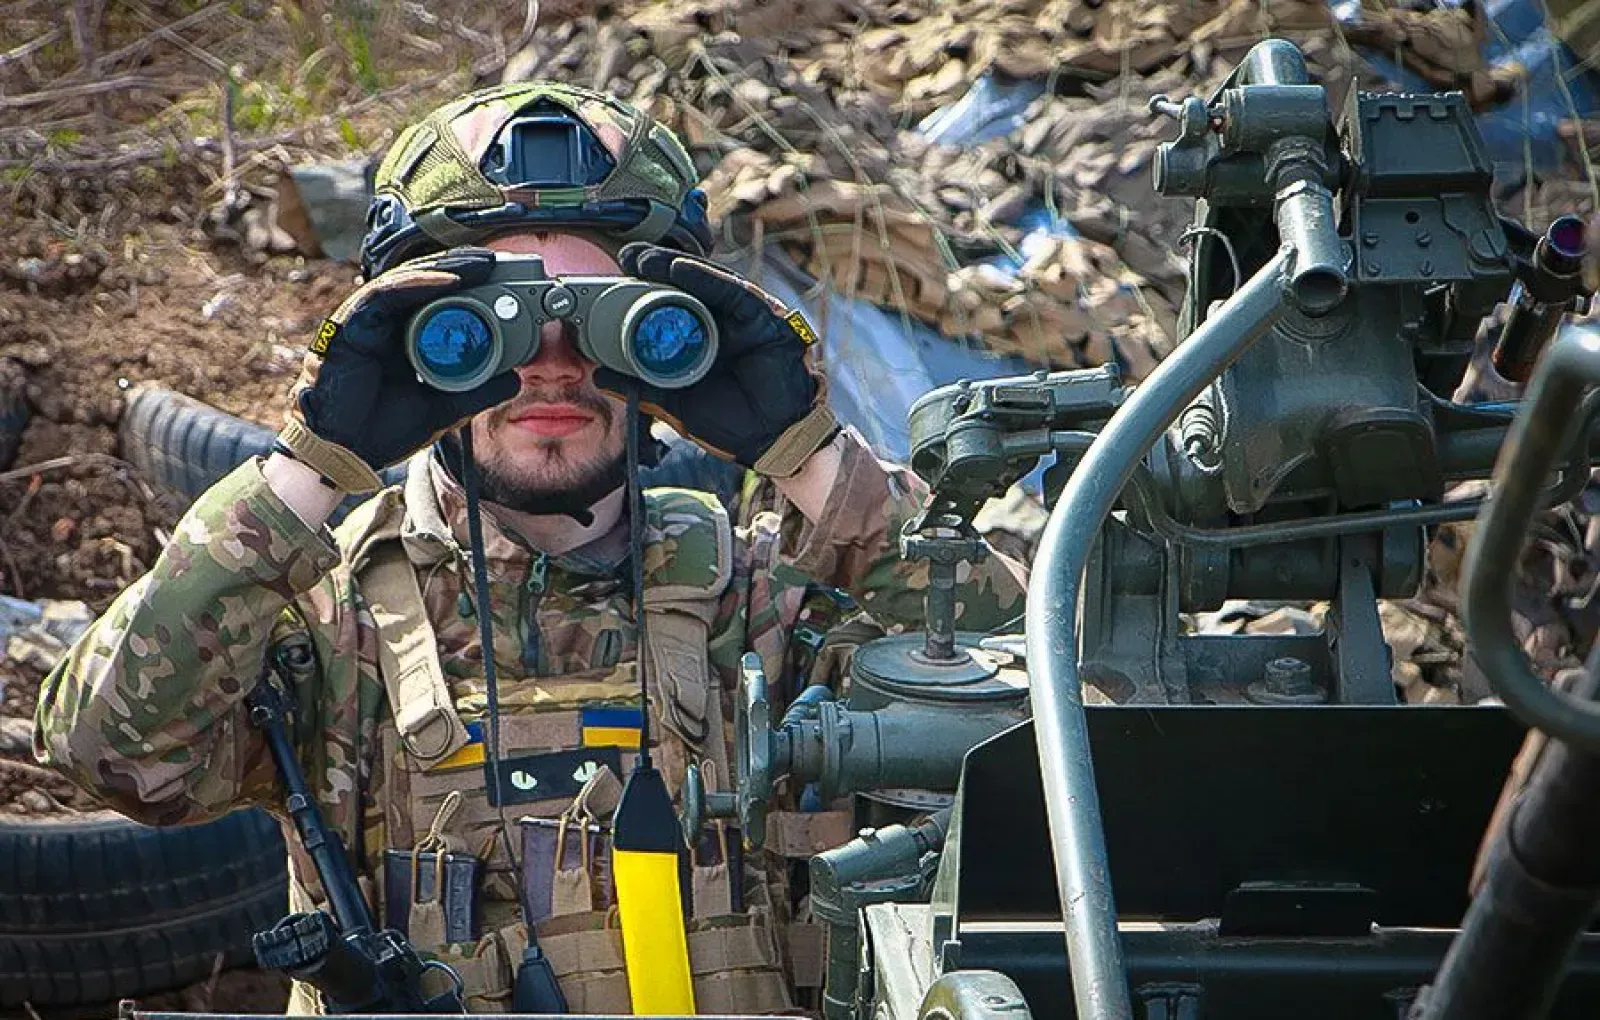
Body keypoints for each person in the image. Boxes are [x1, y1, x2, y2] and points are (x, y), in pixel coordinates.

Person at [33, 81, 1027, 1015]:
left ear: (673, 336)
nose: (550, 367)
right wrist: (310, 466)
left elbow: (1049, 708)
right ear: (405, 333)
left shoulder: (769, 603)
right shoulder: (324, 620)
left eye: (597, 320)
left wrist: (812, 458)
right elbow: (107, 753)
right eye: (490, 322)